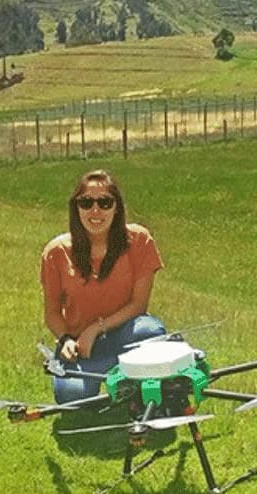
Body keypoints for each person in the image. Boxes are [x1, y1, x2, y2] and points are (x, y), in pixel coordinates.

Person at [41, 170, 166, 404]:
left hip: (125, 333)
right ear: (76, 208)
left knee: (150, 332)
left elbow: (139, 305)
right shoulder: (55, 253)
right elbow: (52, 313)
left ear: (116, 208)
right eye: (86, 202)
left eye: (105, 202)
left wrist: (96, 328)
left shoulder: (139, 240)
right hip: (82, 345)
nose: (95, 211)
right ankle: (119, 379)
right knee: (71, 397)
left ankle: (131, 382)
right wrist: (66, 340)